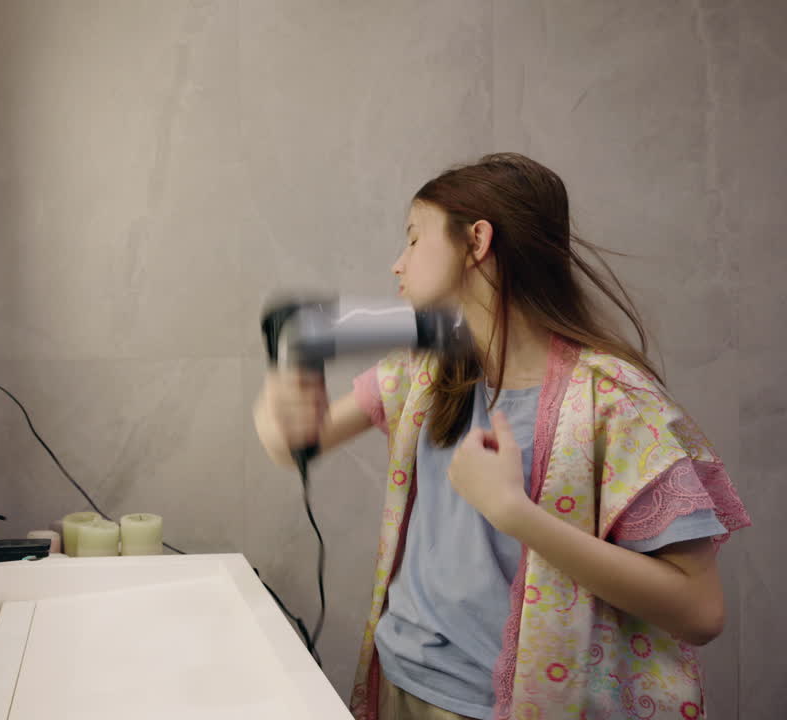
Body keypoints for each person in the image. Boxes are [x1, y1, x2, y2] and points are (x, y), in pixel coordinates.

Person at [253, 153, 751, 720]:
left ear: (477, 240)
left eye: (413, 239)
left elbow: (700, 612)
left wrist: (515, 514)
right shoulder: (428, 369)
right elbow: (295, 442)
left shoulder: (614, 401)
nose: (397, 264)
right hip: (400, 678)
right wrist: (284, 389)